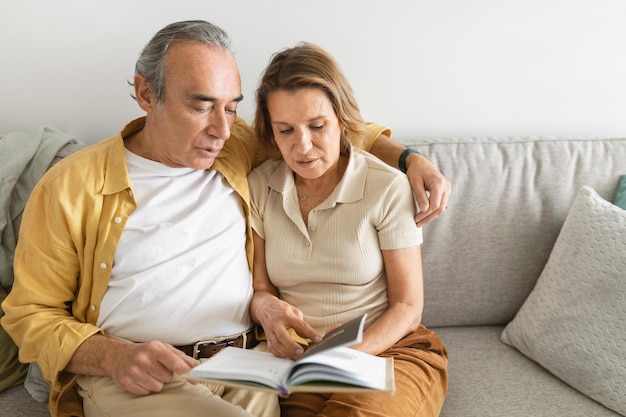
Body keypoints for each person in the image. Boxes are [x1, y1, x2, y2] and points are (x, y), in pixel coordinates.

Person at [1, 21, 449, 417]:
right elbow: (29, 314)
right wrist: (110, 357)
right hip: (144, 373)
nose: (220, 127)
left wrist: (410, 159)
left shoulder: (236, 147)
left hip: (248, 365)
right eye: (201, 105)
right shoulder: (71, 187)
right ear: (145, 94)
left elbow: (335, 126)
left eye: (232, 106)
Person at [248, 42, 448, 417]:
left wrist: (347, 354)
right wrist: (267, 311)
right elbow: (262, 289)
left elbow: (408, 306)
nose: (302, 146)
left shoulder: (386, 187)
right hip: (300, 358)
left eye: (317, 126)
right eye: (285, 130)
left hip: (389, 348)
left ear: (341, 120)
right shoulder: (260, 186)